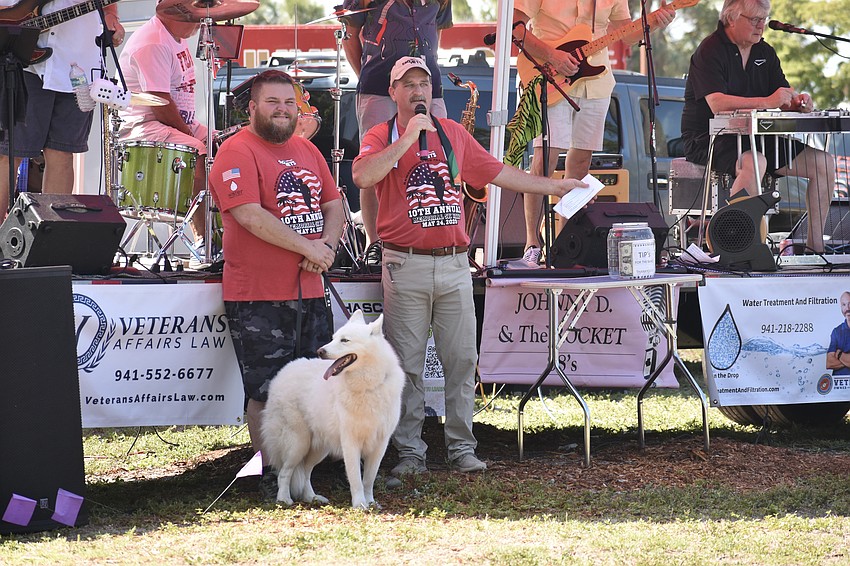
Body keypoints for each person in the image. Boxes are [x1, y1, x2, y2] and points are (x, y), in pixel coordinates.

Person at [352, 57, 586, 478]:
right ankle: (411, 452)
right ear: (393, 92)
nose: (417, 91)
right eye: (408, 85)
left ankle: (462, 448)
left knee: (461, 361)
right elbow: (364, 177)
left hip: (455, 264)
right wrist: (407, 138)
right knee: (405, 365)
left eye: (424, 83)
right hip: (406, 265)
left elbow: (498, 174)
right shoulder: (380, 134)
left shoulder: (454, 133)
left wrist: (554, 186)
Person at [209, 70, 344, 498]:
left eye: (290, 103)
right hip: (258, 296)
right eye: (272, 102)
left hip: (310, 292)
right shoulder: (235, 151)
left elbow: (335, 204)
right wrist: (309, 246)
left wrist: (324, 245)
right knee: (268, 392)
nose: (283, 110)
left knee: (314, 386)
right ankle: (271, 476)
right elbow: (249, 214)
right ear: (252, 107)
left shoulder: (307, 150)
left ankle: (304, 476)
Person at [513, 0, 675, 267]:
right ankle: (532, 241)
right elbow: (515, 27)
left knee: (581, 162)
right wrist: (553, 56)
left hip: (596, 78)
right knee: (545, 158)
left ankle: (565, 241)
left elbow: (629, 33)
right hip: (548, 73)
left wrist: (656, 21)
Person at [681, 0, 833, 253]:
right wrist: (768, 101)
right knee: (755, 162)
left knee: (824, 163)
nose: (761, 25)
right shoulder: (709, 50)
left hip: (756, 136)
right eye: (754, 19)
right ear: (731, 19)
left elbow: (783, 94)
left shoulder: (765, 52)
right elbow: (717, 103)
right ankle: (737, 246)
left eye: (763, 19)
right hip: (710, 138)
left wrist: (798, 102)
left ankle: (815, 247)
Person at [340, 0, 452, 244]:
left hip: (429, 87)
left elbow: (436, 32)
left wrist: (426, 76)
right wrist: (368, 75)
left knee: (437, 159)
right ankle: (374, 242)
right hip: (378, 88)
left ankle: (429, 236)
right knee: (372, 164)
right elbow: (349, 36)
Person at [0, 0, 124, 221]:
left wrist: (111, 14)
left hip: (79, 65)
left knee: (62, 154)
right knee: (9, 154)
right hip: (23, 63)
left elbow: (108, 4)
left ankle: (49, 243)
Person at [117, 8, 209, 252]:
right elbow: (160, 104)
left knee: (228, 145)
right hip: (144, 127)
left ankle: (223, 234)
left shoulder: (175, 36)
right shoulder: (154, 42)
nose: (199, 22)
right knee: (198, 151)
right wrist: (191, 135)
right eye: (194, 16)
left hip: (173, 122)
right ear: (174, 13)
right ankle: (203, 240)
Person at [827, 292, 850, 376]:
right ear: (841, 307)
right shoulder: (836, 331)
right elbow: (829, 363)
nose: (847, 308)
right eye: (844, 305)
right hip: (838, 386)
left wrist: (839, 354)